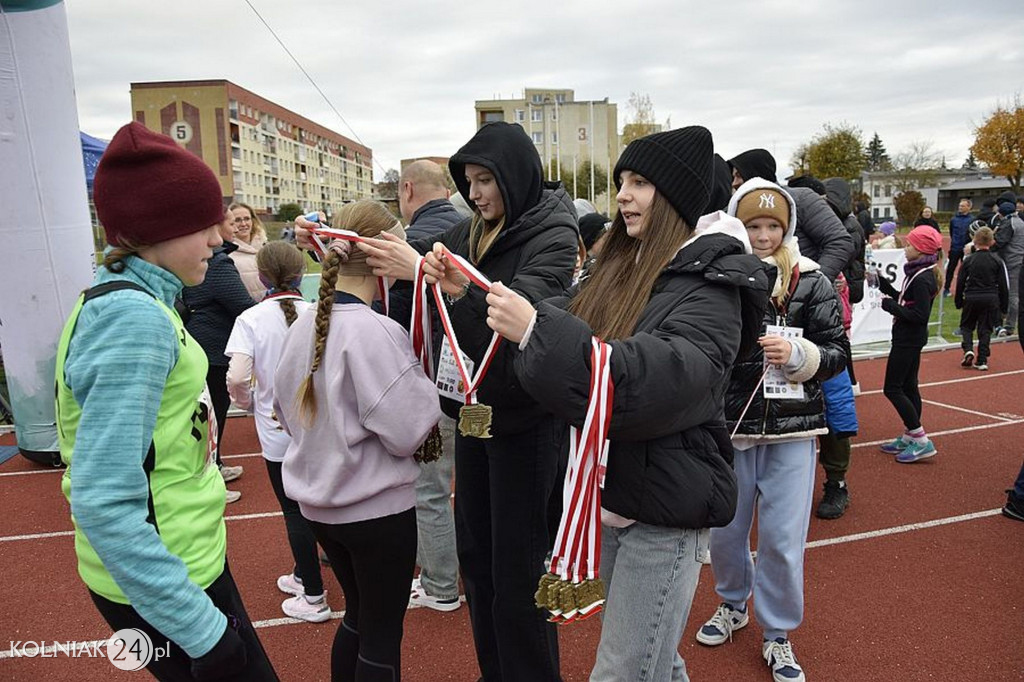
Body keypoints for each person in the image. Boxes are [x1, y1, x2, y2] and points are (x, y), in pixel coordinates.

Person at [486, 126, 771, 682]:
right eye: (621, 182)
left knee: (624, 672)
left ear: (674, 197)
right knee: (656, 661)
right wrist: (471, 291)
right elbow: (562, 316)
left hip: (665, 513)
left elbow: (651, 381)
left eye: (639, 182)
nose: (621, 195)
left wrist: (534, 329)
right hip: (618, 498)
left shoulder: (712, 287)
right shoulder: (630, 267)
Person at [323, 121, 579, 681]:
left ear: (515, 175)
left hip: (525, 421)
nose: (479, 192)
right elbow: (429, 262)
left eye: (487, 180)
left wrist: (434, 281)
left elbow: (516, 319)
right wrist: (360, 247)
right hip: (473, 415)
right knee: (480, 568)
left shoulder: (554, 235)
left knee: (518, 580)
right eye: (470, 181)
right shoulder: (471, 231)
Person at [56, 122, 278, 681]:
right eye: (203, 226)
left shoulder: (136, 302)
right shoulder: (132, 320)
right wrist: (199, 628)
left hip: (182, 562)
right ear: (153, 231)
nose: (217, 240)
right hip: (167, 580)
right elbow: (104, 498)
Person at [273, 199, 442, 682]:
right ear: (385, 253)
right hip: (376, 509)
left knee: (357, 617)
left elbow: (283, 409)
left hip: (320, 507)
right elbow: (409, 427)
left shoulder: (303, 323)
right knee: (384, 631)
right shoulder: (375, 331)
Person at [696, 178, 845, 682]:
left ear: (788, 228)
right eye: (754, 225)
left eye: (772, 226)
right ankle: (732, 603)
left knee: (783, 539)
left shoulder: (813, 280)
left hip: (794, 431)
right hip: (732, 429)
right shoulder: (721, 275)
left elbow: (838, 352)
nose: (763, 235)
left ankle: (778, 633)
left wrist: (802, 357)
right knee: (726, 532)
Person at [225, 241, 331, 622]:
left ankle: (314, 596)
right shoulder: (320, 311)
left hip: (276, 432)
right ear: (301, 274)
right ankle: (308, 572)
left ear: (262, 276)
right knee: (322, 500)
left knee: (294, 510)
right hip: (319, 426)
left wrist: (249, 403)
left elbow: (236, 376)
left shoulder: (251, 319)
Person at [397, 160, 464, 613]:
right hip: (475, 380)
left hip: (432, 384)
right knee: (474, 487)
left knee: (430, 488)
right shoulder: (474, 229)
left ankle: (441, 585)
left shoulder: (410, 245)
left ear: (406, 189)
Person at [182, 207, 256, 501]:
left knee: (211, 413)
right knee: (212, 415)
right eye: (229, 222)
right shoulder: (218, 265)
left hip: (205, 345)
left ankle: (216, 464)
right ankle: (208, 478)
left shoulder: (215, 261)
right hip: (212, 350)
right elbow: (242, 305)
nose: (236, 226)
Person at [728, 149, 854, 282]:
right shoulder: (733, 209)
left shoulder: (802, 200)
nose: (734, 183)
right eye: (753, 227)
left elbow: (839, 241)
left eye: (739, 175)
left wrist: (812, 284)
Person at [877, 225, 944, 463]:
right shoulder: (918, 272)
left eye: (909, 245)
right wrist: (882, 283)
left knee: (892, 388)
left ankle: (920, 438)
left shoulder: (923, 278)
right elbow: (905, 300)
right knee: (908, 386)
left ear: (921, 249)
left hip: (908, 338)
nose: (905, 248)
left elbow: (919, 315)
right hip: (909, 337)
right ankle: (910, 435)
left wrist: (891, 307)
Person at [955, 227, 1009, 370]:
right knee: (985, 328)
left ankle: (968, 349)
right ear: (992, 242)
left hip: (972, 296)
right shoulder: (997, 260)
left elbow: (960, 282)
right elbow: (1004, 285)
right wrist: (1004, 306)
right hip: (990, 297)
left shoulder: (969, 260)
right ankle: (982, 359)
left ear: (974, 241)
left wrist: (958, 300)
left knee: (966, 325)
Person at [991, 199, 1024, 336]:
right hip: (1019, 258)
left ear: (1001, 213)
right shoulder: (1020, 222)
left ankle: (1010, 325)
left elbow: (999, 242)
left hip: (1012, 261)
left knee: (1013, 295)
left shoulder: (1008, 223)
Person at [228, 202, 269, 301]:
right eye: (237, 220)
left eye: (247, 219)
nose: (243, 224)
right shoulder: (227, 254)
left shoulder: (266, 248)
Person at [945, 198, 974, 297]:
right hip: (955, 248)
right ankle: (946, 289)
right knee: (950, 269)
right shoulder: (954, 219)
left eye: (962, 206)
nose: (960, 207)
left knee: (965, 270)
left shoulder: (972, 219)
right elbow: (951, 232)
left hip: (966, 249)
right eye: (959, 205)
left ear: (969, 207)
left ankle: (964, 289)